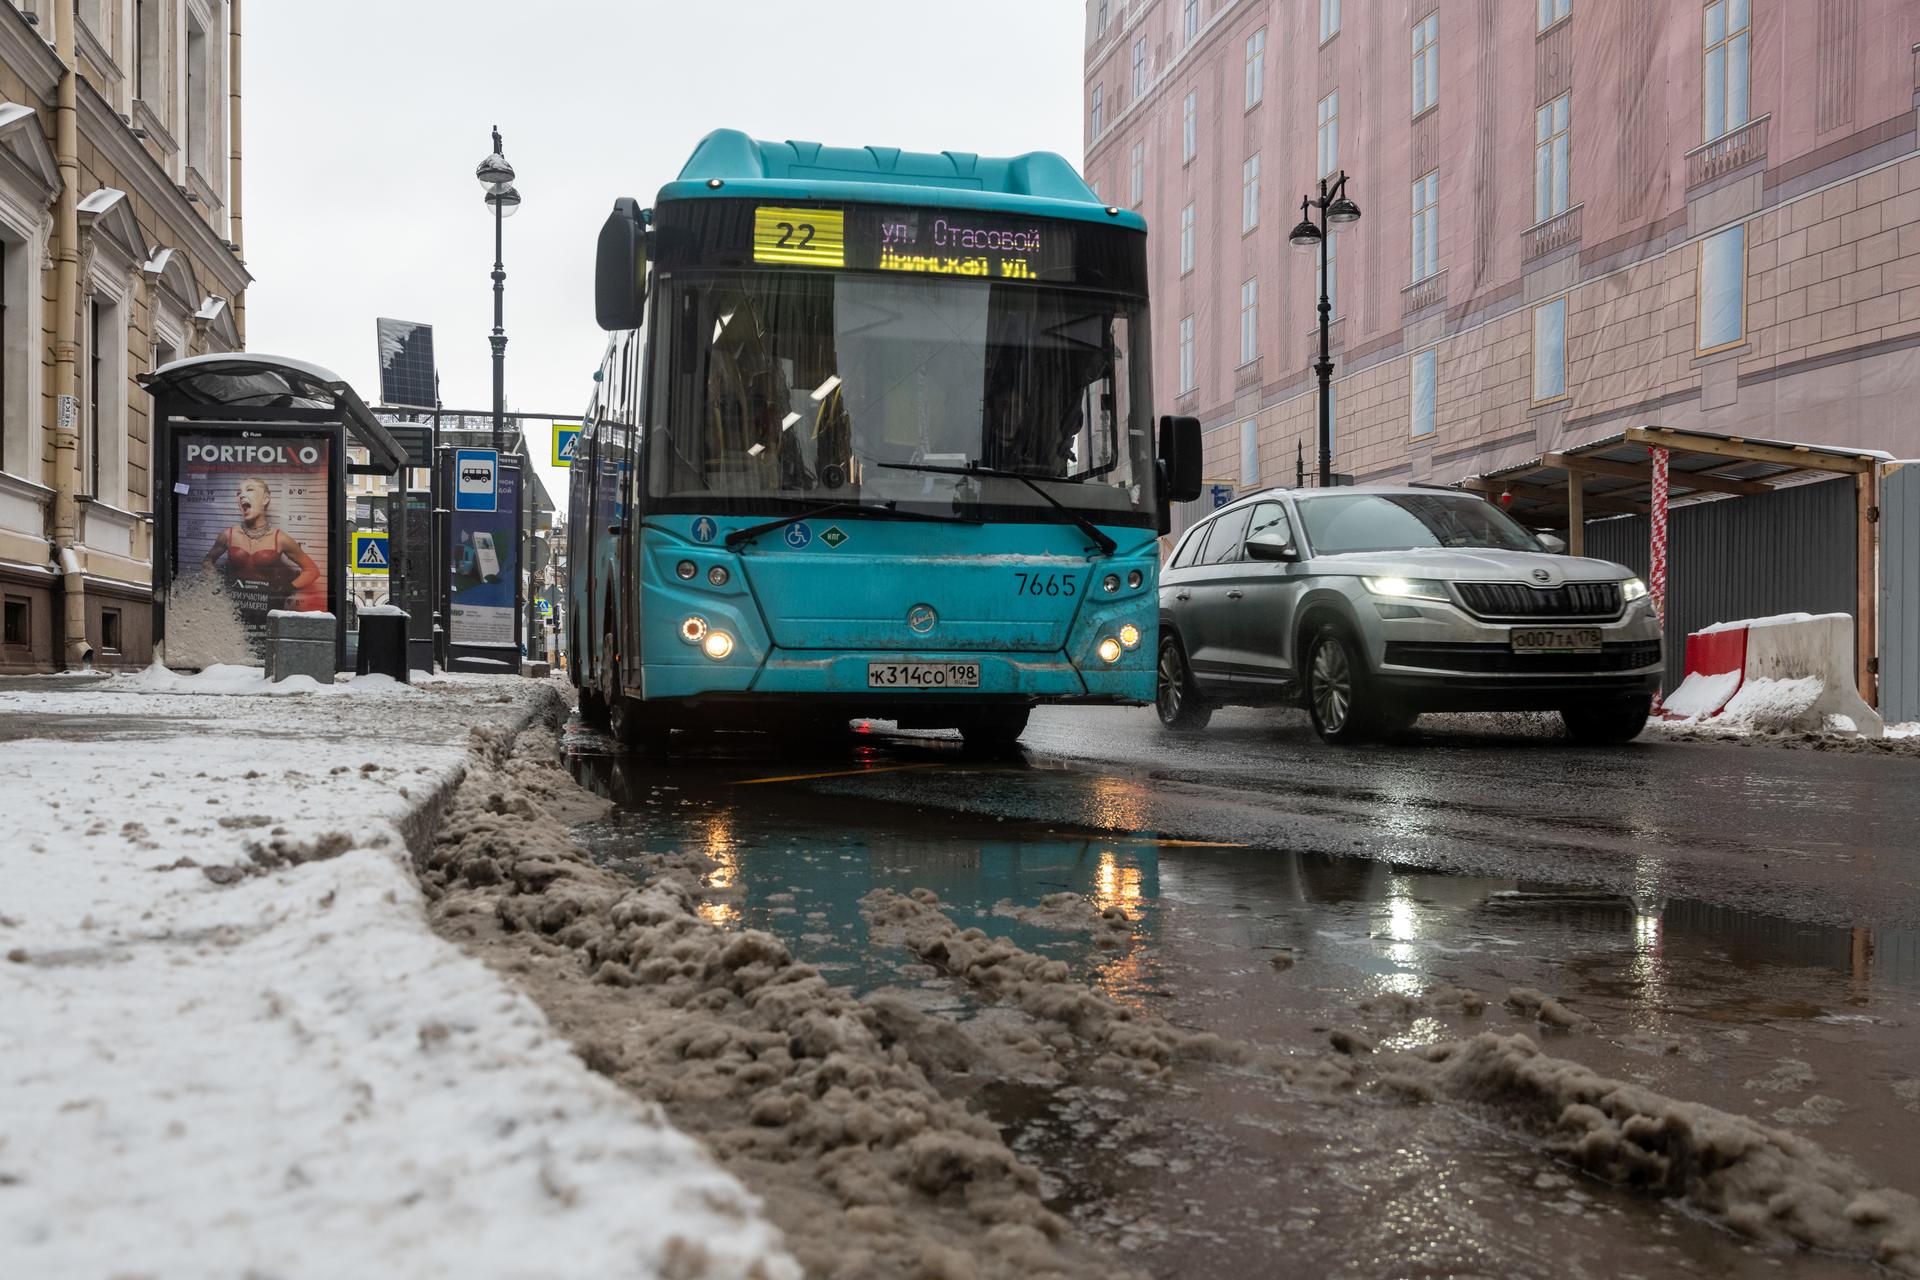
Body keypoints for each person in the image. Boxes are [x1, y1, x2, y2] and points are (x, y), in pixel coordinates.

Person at [201, 476, 324, 611]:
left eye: (249, 490)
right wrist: (216, 586)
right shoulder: (228, 535)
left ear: (265, 499)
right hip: (232, 607)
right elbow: (208, 561)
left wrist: (286, 589)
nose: (242, 495)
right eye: (238, 493)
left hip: (267, 607)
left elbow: (312, 570)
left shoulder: (279, 538)